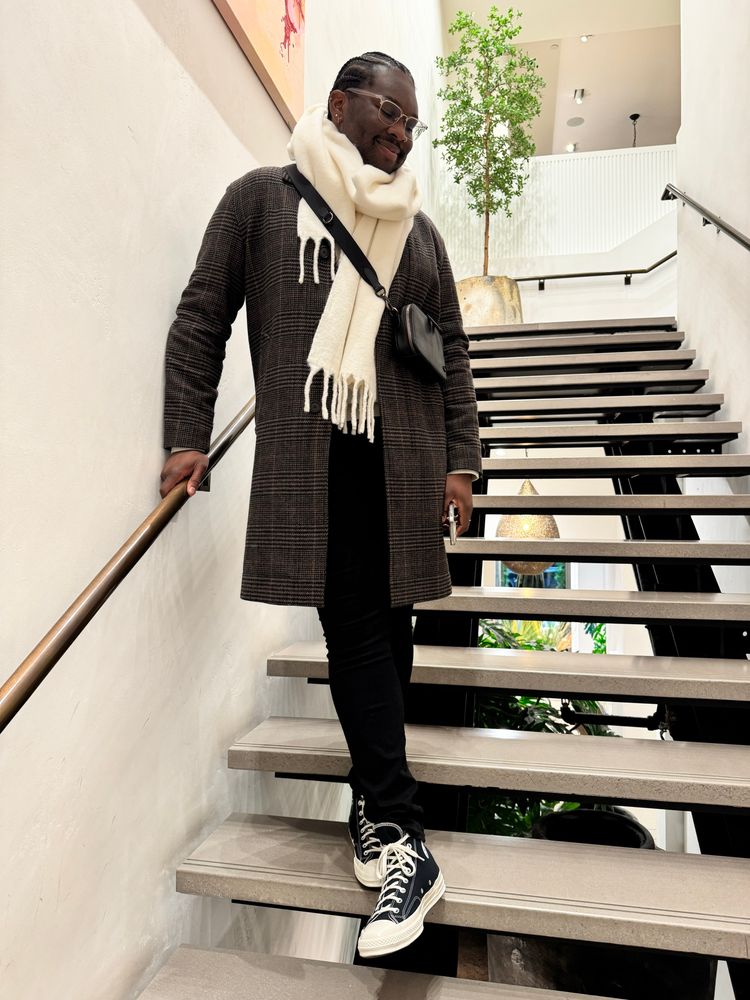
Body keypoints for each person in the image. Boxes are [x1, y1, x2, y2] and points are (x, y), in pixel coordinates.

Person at [159, 51, 481, 959]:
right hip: (318, 465)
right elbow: (202, 315)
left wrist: (462, 462)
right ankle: (406, 839)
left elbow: (450, 349)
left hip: (406, 464)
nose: (401, 131)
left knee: (391, 633)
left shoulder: (416, 229)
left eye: (413, 123)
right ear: (339, 103)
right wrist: (187, 432)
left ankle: (374, 814)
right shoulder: (262, 200)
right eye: (389, 111)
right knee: (357, 631)